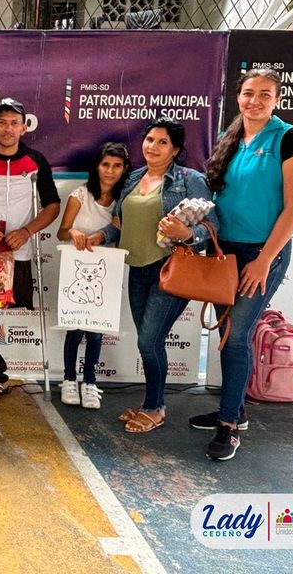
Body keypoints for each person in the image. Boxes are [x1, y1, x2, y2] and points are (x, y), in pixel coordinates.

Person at [190, 68, 293, 460]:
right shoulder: (231, 137)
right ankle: (234, 409)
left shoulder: (288, 138)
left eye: (264, 94)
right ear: (238, 97)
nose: (254, 101)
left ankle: (228, 427)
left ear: (277, 99)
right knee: (227, 334)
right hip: (224, 252)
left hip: (261, 254)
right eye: (248, 93)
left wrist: (264, 261)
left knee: (236, 336)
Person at [96, 117, 217, 433]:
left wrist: (187, 234)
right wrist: (99, 236)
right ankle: (152, 401)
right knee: (149, 342)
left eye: (163, 142)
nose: (153, 146)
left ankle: (154, 408)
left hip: (170, 271)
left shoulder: (191, 180)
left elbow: (212, 227)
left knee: (149, 341)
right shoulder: (133, 178)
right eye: (150, 139)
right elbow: (120, 224)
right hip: (136, 271)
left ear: (175, 149)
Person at [0, 98, 60, 404]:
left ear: (24, 127)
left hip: (18, 251)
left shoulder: (36, 160)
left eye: (14, 123)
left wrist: (27, 231)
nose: (8, 128)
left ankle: (1, 370)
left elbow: (52, 205)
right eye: (2, 122)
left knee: (11, 304)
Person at [55, 142, 130, 409]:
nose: (110, 171)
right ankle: (68, 379)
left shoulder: (125, 200)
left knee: (96, 333)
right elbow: (62, 232)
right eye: (105, 164)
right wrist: (73, 232)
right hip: (77, 272)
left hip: (107, 273)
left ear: (125, 169)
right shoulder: (80, 195)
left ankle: (89, 382)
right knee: (75, 330)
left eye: (117, 166)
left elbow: (124, 233)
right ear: (97, 166)